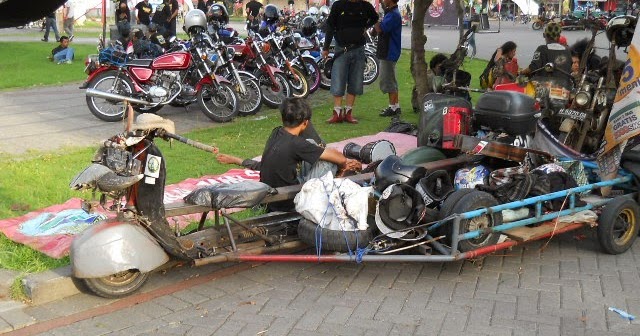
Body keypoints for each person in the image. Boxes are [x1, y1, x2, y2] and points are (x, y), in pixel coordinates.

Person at [216, 98, 362, 212]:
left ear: (282, 119)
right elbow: (340, 158)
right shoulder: (298, 144)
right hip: (288, 199)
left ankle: (336, 173)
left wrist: (235, 160)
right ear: (305, 123)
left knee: (315, 146)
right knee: (328, 161)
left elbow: (266, 164)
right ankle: (336, 180)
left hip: (273, 194)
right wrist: (344, 164)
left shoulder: (276, 133)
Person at [323, 0, 378, 124]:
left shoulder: (365, 6)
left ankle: (348, 113)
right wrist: (326, 47)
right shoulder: (338, 5)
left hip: (358, 48)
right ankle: (337, 113)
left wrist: (366, 26)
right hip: (341, 49)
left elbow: (375, 17)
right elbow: (330, 26)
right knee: (338, 79)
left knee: (356, 80)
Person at [375, 0, 403, 118]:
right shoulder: (391, 13)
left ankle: (392, 107)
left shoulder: (393, 15)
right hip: (389, 51)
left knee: (388, 81)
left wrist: (374, 19)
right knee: (391, 79)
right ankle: (396, 106)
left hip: (389, 51)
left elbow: (380, 29)